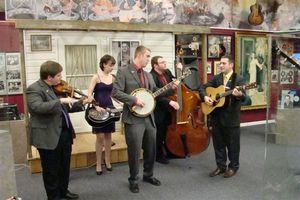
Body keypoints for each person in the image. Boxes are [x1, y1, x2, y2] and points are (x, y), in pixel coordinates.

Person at [26, 61, 88, 200]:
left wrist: (81, 102)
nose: (61, 78)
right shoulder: (34, 89)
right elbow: (37, 108)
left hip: (64, 133)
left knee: (64, 166)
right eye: (58, 75)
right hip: (47, 136)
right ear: (49, 77)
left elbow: (66, 108)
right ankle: (54, 197)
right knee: (51, 170)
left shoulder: (56, 88)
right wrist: (60, 101)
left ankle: (63, 191)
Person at [112, 45, 161, 193]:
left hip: (149, 119)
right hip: (133, 120)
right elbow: (115, 92)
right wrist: (134, 100)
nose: (148, 60)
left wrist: (171, 87)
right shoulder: (123, 72)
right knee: (134, 152)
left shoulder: (148, 75)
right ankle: (133, 180)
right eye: (147, 56)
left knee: (151, 149)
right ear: (139, 55)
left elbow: (154, 92)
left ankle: (148, 175)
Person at [199, 55, 245, 178]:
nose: (221, 65)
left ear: (231, 65)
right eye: (220, 63)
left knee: (233, 145)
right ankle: (221, 166)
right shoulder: (217, 78)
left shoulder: (238, 79)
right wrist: (205, 97)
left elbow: (243, 96)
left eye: (224, 63)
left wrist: (239, 94)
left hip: (231, 118)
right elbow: (202, 88)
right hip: (216, 117)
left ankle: (233, 167)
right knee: (218, 144)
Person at [87, 55, 116, 175]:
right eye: (110, 65)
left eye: (113, 65)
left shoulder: (113, 78)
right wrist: (95, 106)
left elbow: (115, 94)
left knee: (108, 136)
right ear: (104, 64)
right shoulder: (96, 77)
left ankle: (107, 160)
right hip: (98, 109)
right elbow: (89, 95)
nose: (112, 68)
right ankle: (98, 163)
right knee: (100, 137)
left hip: (109, 108)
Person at [150, 56, 180, 164]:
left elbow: (175, 81)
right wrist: (169, 102)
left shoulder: (167, 72)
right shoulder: (151, 76)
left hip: (169, 108)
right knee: (160, 133)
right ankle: (159, 155)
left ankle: (171, 151)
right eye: (162, 62)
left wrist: (179, 71)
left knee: (168, 131)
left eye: (165, 61)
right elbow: (156, 95)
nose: (165, 63)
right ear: (155, 65)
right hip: (159, 108)